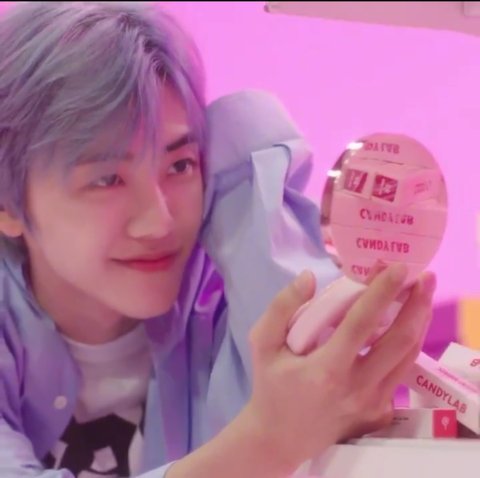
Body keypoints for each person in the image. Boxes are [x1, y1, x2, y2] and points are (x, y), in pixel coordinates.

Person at [0, 2, 436, 477]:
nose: (159, 222)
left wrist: (241, 177)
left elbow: (319, 406)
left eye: (180, 165)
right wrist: (267, 441)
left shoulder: (223, 296)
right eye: (107, 179)